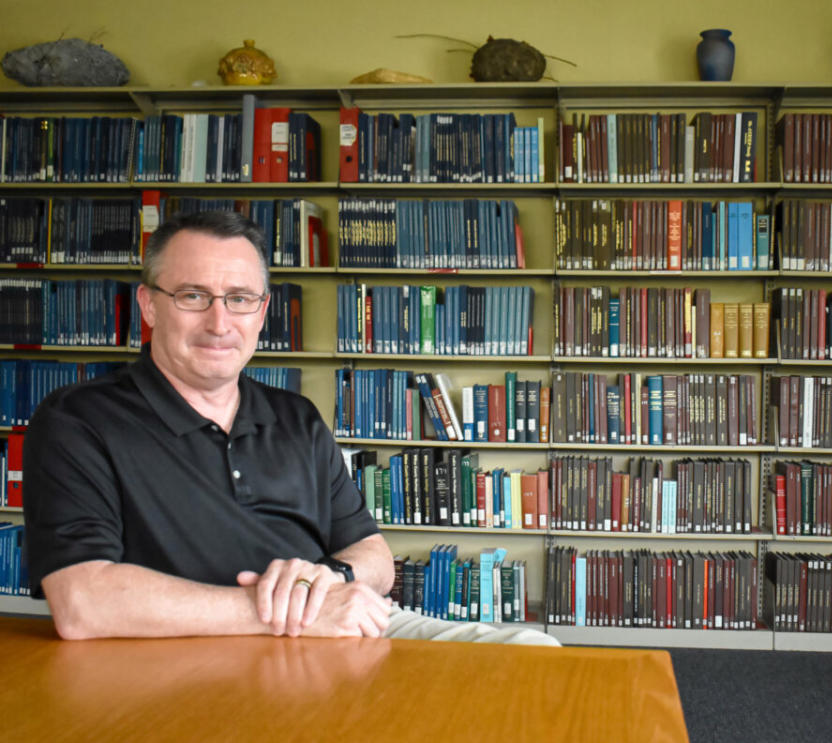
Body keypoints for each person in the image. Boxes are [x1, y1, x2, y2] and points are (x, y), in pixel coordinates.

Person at [23, 211, 557, 646]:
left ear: (262, 312)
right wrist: (282, 613)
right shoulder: (78, 421)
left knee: (534, 653)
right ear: (149, 306)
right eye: (192, 296)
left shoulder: (296, 417)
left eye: (239, 298)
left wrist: (329, 579)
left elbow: (373, 559)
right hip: (191, 645)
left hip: (342, 622)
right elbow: (82, 603)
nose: (219, 322)